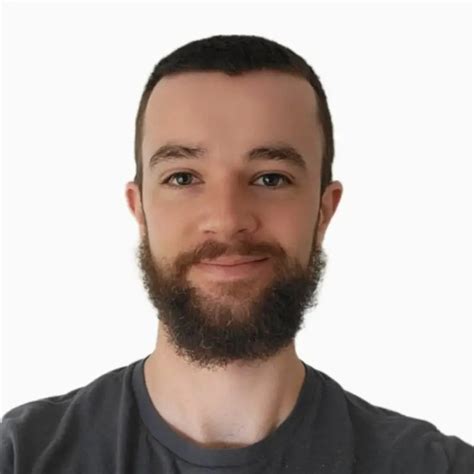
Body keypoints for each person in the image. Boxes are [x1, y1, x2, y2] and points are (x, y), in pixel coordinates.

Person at [1, 34, 473, 474]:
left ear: (323, 211)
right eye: (183, 177)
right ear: (139, 208)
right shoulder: (21, 457)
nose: (227, 219)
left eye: (271, 178)